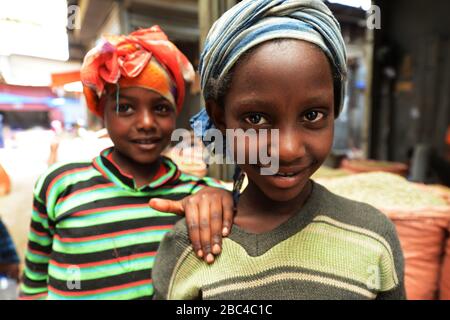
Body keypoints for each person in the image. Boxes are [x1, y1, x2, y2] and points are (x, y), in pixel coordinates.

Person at [152, 0, 406, 300]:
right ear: (220, 118)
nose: (287, 150)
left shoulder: (373, 235)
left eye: (312, 115)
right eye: (256, 119)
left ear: (335, 108)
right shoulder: (191, 245)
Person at [19, 26, 233, 300]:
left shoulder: (200, 196)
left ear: (175, 114)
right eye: (125, 107)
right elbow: (34, 282)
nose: (146, 123)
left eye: (160, 108)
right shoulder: (59, 185)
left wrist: (221, 197)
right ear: (102, 113)